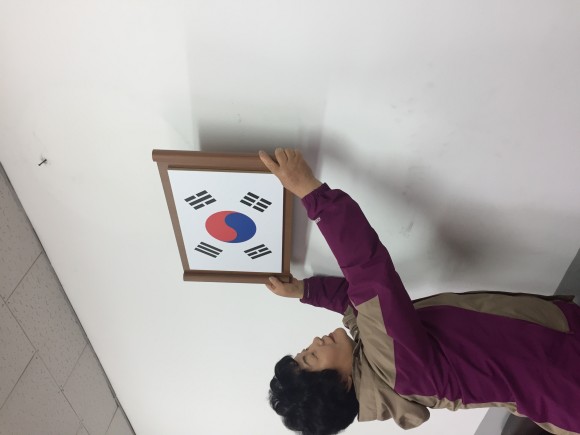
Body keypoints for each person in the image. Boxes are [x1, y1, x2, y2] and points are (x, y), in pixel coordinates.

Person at [258, 148, 580, 435]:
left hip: (556, 355)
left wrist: (305, 290)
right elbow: (369, 276)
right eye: (312, 357)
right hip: (567, 375)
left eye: (306, 349)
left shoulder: (379, 364)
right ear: (340, 383)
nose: (315, 342)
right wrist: (310, 192)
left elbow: (355, 303)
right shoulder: (395, 369)